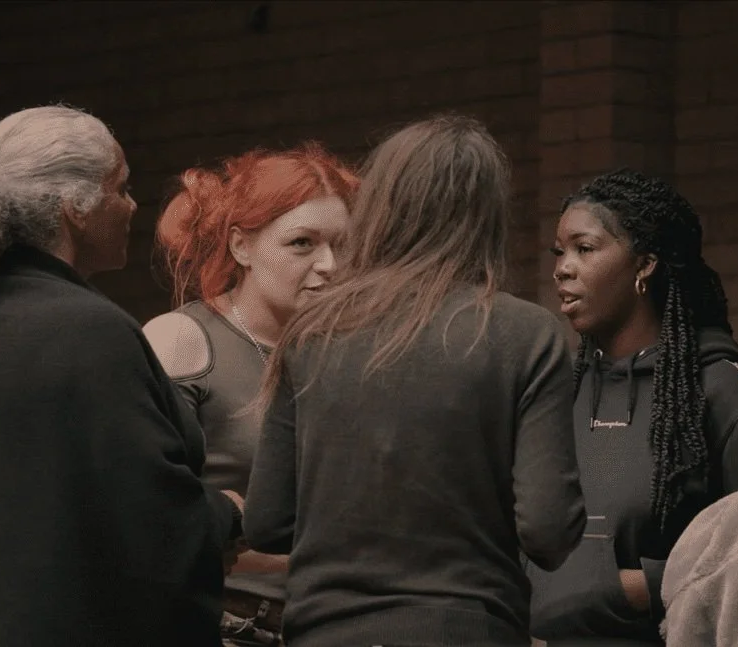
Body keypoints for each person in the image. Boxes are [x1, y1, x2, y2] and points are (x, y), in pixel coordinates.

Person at [242, 115, 588, 647]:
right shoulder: (526, 334)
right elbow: (548, 531)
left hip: (324, 632)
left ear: (382, 205)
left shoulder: (312, 333)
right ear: (488, 214)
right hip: (465, 628)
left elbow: (267, 522)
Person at [0, 105, 243, 647]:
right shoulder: (88, 331)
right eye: (121, 188)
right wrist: (228, 513)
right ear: (75, 208)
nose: (133, 206)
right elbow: (147, 515)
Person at [529, 169, 738, 646]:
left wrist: (637, 589)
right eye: (559, 252)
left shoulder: (720, 390)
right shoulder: (559, 391)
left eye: (584, 248)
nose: (562, 267)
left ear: (644, 265)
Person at [142, 144, 357, 646]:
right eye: (302, 243)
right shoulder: (183, 340)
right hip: (223, 626)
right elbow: (151, 515)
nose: (329, 265)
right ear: (241, 247)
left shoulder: (346, 350)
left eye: (342, 246)